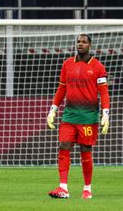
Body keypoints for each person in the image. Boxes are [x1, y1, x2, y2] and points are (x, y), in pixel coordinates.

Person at [47, 34, 110, 199]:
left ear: (90, 45)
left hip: (88, 116)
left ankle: (87, 189)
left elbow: (104, 92)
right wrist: (53, 109)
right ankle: (63, 188)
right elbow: (61, 89)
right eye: (78, 42)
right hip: (70, 114)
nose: (80, 44)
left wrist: (106, 113)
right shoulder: (67, 64)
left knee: (85, 150)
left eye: (84, 42)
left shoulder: (98, 67)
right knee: (64, 145)